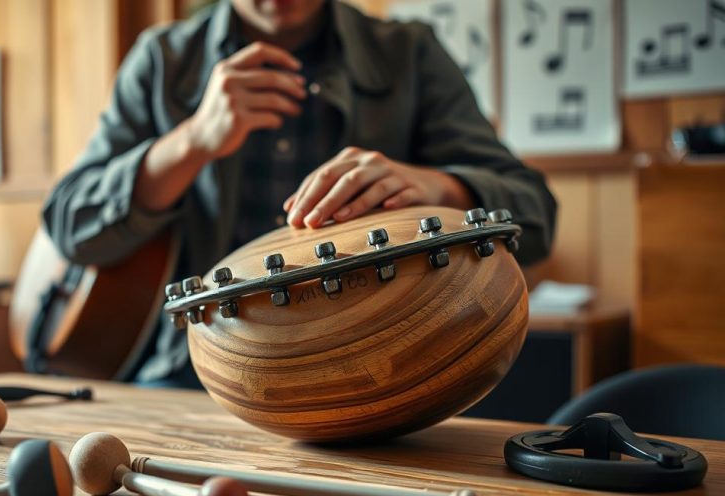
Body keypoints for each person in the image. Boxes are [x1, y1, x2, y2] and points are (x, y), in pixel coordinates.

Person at [43, 0, 557, 387]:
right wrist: (192, 141)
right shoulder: (162, 59)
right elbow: (70, 225)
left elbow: (535, 217)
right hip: (191, 378)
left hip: (379, 375)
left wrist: (438, 188)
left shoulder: (409, 53)